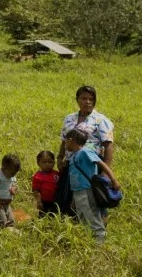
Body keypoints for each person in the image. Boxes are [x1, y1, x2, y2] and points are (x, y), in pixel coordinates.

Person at [57, 85, 115, 218]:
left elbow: (108, 146)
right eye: (83, 98)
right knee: (67, 197)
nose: (87, 102)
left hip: (90, 167)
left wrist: (106, 173)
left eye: (91, 99)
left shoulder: (100, 120)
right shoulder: (69, 118)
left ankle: (94, 227)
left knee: (90, 198)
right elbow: (63, 140)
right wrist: (60, 158)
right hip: (71, 165)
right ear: (77, 99)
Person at [63, 129, 121, 244]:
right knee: (83, 217)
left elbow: (101, 164)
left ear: (70, 140)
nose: (65, 144)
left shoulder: (85, 152)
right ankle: (90, 241)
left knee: (92, 216)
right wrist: (74, 199)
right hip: (78, 192)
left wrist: (113, 180)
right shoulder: (74, 156)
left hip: (86, 190)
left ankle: (99, 243)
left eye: (65, 141)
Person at [0, 154, 20, 228]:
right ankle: (2, 229)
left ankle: (10, 232)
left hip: (7, 204)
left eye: (15, 173)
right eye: (12, 173)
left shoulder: (12, 176)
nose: (13, 175)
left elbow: (14, 185)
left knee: (11, 222)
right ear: (4, 168)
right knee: (2, 222)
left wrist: (14, 189)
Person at [32, 150, 61, 218]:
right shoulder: (37, 176)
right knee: (43, 217)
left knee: (56, 217)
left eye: (50, 162)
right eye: (44, 162)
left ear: (54, 162)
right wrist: (39, 202)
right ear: (38, 163)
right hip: (44, 202)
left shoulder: (57, 174)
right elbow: (36, 191)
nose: (47, 164)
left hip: (57, 202)